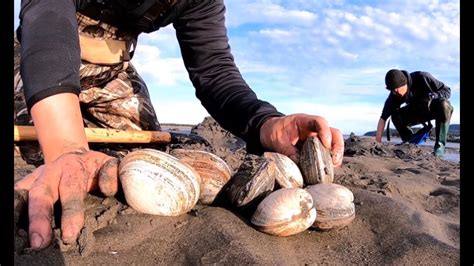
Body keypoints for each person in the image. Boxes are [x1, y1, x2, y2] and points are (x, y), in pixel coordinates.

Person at [13, 0, 344, 250]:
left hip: (112, 75)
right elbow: (46, 13)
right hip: (36, 59)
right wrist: (67, 148)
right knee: (39, 153)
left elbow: (214, 71)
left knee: (144, 162)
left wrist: (267, 122)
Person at [375, 69, 453, 157]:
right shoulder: (394, 95)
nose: (394, 93)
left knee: (445, 105)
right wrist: (378, 142)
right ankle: (410, 142)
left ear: (404, 84)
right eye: (392, 91)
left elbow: (447, 91)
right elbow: (383, 118)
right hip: (416, 111)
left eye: (396, 90)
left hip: (432, 108)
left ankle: (439, 149)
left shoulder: (423, 77)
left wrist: (434, 95)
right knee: (395, 116)